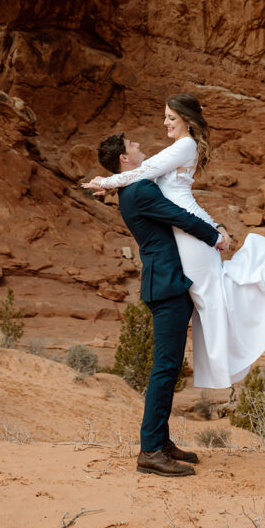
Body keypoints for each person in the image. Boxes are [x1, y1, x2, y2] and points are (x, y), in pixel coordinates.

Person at [84, 94, 265, 390]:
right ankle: (222, 363)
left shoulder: (185, 145)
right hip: (190, 224)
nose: (165, 122)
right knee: (210, 294)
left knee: (211, 293)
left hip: (190, 229)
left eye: (171, 118)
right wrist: (110, 185)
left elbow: (143, 172)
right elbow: (139, 173)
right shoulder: (177, 148)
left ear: (186, 120)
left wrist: (106, 182)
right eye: (165, 117)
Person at [94, 131, 228, 477]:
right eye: (132, 146)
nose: (139, 146)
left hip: (169, 282)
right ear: (125, 159)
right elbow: (178, 215)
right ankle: (150, 451)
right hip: (166, 284)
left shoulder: (134, 185)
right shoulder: (139, 190)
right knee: (165, 369)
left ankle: (161, 441)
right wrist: (215, 236)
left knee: (167, 367)